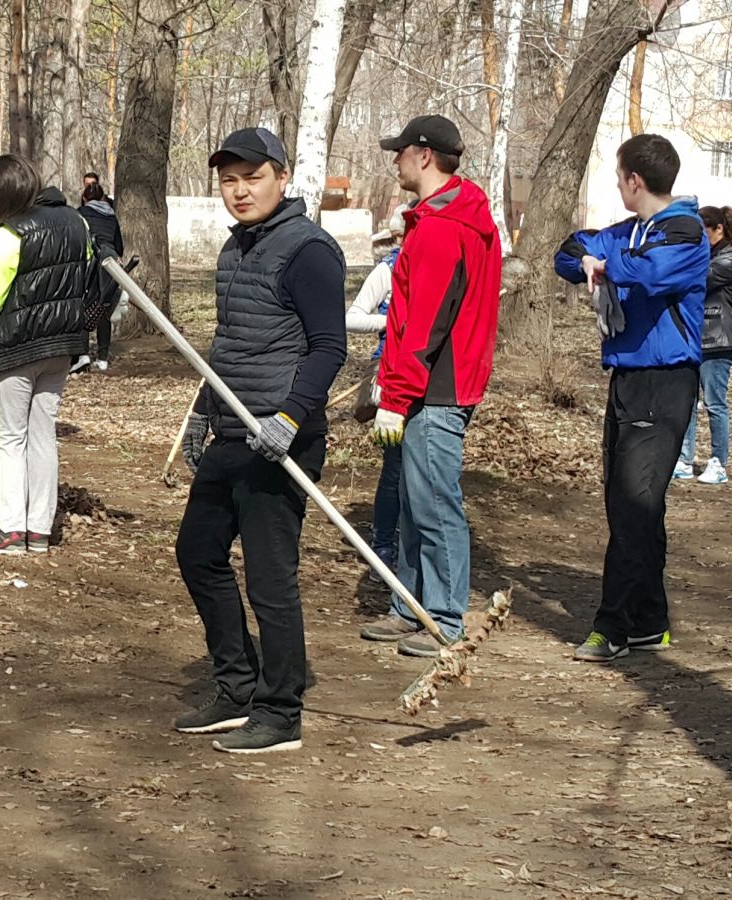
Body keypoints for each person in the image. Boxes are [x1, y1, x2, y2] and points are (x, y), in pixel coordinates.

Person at [172, 127, 346, 755]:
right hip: (232, 429)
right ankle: (238, 685)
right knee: (198, 553)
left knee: (271, 579)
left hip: (281, 439)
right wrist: (203, 411)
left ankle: (280, 711)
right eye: (229, 180)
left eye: (253, 177)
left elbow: (329, 348)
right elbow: (228, 347)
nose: (240, 190)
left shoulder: (309, 250)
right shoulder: (236, 248)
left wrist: (290, 419)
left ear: (281, 177)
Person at [553, 133, 708, 661]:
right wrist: (589, 260)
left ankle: (612, 627)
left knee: (633, 504)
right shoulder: (626, 232)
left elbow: (653, 272)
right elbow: (568, 252)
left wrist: (605, 263)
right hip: (625, 380)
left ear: (634, 181)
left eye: (619, 177)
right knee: (633, 505)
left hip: (665, 383)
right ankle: (649, 619)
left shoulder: (685, 230)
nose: (617, 186)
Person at [357, 115, 501, 658]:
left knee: (435, 504)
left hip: (435, 389)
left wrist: (395, 396)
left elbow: (425, 324)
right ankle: (411, 607)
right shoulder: (443, 218)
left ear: (423, 155)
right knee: (415, 502)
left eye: (400, 152)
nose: (395, 160)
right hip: (432, 384)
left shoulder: (443, 228)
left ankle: (442, 619)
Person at [0, 155, 91, 555]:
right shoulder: (76, 223)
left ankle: (10, 529)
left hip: (15, 349)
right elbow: (86, 272)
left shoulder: (11, 232)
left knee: (10, 438)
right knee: (42, 435)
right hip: (60, 348)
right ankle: (39, 530)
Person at [344, 205, 407, 578]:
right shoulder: (388, 269)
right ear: (399, 236)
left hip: (433, 376)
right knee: (396, 465)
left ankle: (413, 548)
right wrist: (393, 321)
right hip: (390, 372)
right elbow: (351, 317)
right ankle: (383, 546)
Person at [677, 205, 732, 485]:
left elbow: (700, 279)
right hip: (692, 336)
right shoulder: (706, 253)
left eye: (703, 232)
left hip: (717, 339)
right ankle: (684, 459)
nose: (699, 239)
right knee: (687, 402)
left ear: (719, 229)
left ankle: (719, 462)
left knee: (715, 403)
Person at [73, 181, 125, 373]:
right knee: (104, 308)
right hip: (110, 264)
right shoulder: (111, 216)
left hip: (90, 262)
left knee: (83, 305)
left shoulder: (80, 214)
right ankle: (103, 357)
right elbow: (119, 246)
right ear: (103, 197)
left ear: (84, 198)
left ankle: (83, 354)